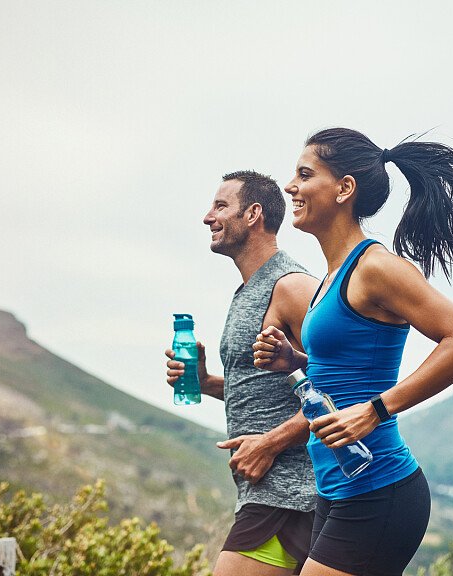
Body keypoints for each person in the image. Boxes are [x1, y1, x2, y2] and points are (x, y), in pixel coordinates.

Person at [252, 128, 453, 576]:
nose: (290, 186)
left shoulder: (376, 267)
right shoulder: (331, 277)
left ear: (345, 188)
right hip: (338, 487)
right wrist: (297, 362)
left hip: (379, 490)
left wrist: (377, 410)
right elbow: (351, 366)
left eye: (304, 174)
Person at [164, 170, 321, 576]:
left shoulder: (291, 287)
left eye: (220, 206)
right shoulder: (250, 289)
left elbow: (339, 386)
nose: (207, 217)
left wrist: (269, 444)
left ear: (253, 214)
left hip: (291, 494)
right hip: (266, 492)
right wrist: (206, 382)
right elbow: (270, 381)